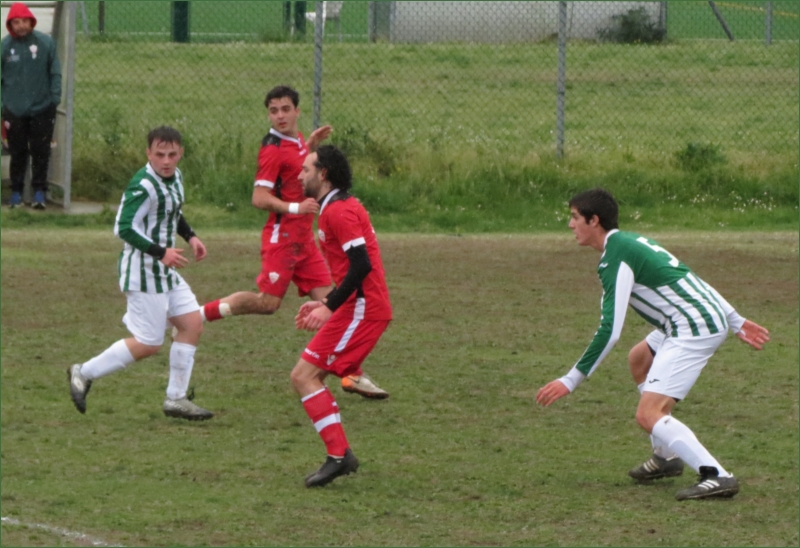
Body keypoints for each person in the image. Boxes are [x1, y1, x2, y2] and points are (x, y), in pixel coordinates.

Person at [536, 188, 770, 501]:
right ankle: (666, 457)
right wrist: (733, 318)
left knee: (648, 414)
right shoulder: (630, 241)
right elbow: (689, 277)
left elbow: (610, 330)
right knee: (639, 359)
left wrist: (570, 379)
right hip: (692, 318)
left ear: (594, 220)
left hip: (692, 327)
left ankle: (717, 475)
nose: (570, 224)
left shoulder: (616, 257)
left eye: (575, 217)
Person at [199, 85, 389, 399]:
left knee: (336, 304)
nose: (280, 116)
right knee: (267, 303)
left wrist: (310, 146)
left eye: (285, 109)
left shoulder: (298, 141)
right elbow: (258, 198)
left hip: (305, 241)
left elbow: (298, 171)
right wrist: (295, 208)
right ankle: (198, 316)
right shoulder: (272, 149)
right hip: (283, 239)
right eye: (273, 111)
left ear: (297, 111)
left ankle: (350, 373)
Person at [68, 126, 214, 421]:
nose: (166, 161)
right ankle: (83, 372)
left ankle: (176, 399)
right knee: (149, 343)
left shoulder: (175, 177)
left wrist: (191, 236)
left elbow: (172, 211)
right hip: (143, 272)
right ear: (148, 153)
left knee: (191, 324)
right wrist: (161, 252)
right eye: (159, 154)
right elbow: (122, 227)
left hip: (164, 269)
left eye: (172, 154)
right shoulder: (143, 185)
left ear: (180, 153)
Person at [292, 145, 393, 487]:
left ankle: (339, 456)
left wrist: (328, 305)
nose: (299, 175)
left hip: (363, 310)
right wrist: (326, 300)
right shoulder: (335, 207)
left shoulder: (338, 212)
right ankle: (339, 454)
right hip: (355, 306)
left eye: (306, 170)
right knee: (306, 376)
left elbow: (362, 265)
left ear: (323, 174)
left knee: (304, 376)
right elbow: (352, 268)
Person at [1, 2, 61, 209]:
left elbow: (55, 72)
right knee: (17, 152)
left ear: (31, 22)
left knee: (40, 151)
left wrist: (54, 98)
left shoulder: (46, 43)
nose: (21, 26)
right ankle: (16, 193)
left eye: (24, 21)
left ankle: (39, 193)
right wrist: (3, 105)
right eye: (16, 22)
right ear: (10, 24)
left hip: (42, 108)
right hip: (14, 110)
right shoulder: (4, 47)